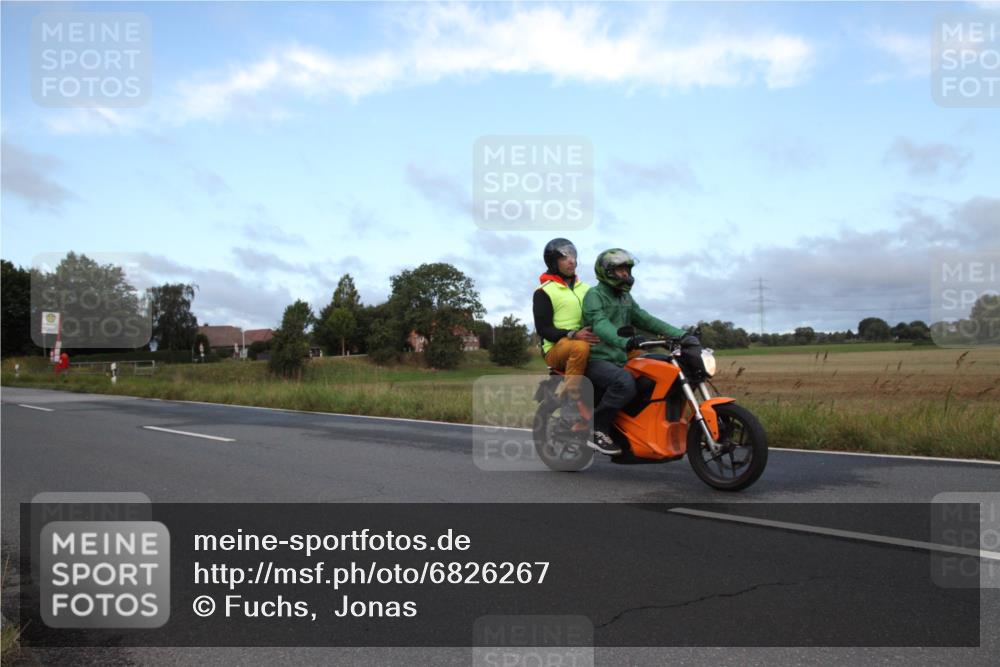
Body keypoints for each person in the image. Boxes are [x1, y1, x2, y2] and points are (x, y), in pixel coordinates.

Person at [582, 248, 686, 454]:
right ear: (607, 272)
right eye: (620, 270)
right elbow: (601, 324)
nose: (626, 275)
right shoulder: (594, 295)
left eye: (627, 270)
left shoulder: (625, 297)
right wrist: (626, 341)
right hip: (596, 359)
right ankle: (597, 429)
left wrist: (681, 334)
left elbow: (645, 319)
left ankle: (635, 431)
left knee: (656, 373)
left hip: (619, 358)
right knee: (624, 383)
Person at [532, 238, 601, 414]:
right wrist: (572, 334)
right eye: (564, 258)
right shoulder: (544, 291)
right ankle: (570, 402)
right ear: (553, 262)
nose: (572, 261)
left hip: (586, 341)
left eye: (573, 256)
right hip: (556, 348)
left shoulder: (587, 289)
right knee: (580, 347)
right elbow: (543, 329)